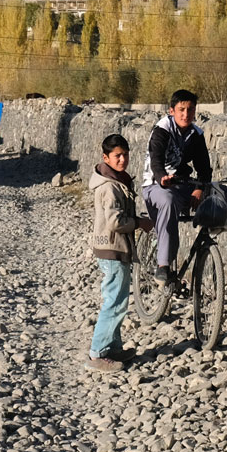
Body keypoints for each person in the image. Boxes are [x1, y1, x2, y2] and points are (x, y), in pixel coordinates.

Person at [141, 89, 227, 296]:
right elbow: (156, 161)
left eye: (190, 109)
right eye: (181, 110)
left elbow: (204, 169)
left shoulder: (195, 135)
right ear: (171, 111)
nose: (185, 114)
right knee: (168, 200)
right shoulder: (162, 131)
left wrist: (199, 188)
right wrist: (163, 177)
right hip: (157, 185)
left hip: (185, 185)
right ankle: (163, 266)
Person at [86, 133, 150, 370]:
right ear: (106, 157)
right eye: (117, 156)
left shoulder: (118, 181)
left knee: (117, 299)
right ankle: (97, 354)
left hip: (113, 248)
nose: (122, 160)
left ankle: (113, 348)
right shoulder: (110, 188)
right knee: (115, 302)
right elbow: (115, 222)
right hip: (113, 248)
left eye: (125, 155)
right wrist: (139, 223)